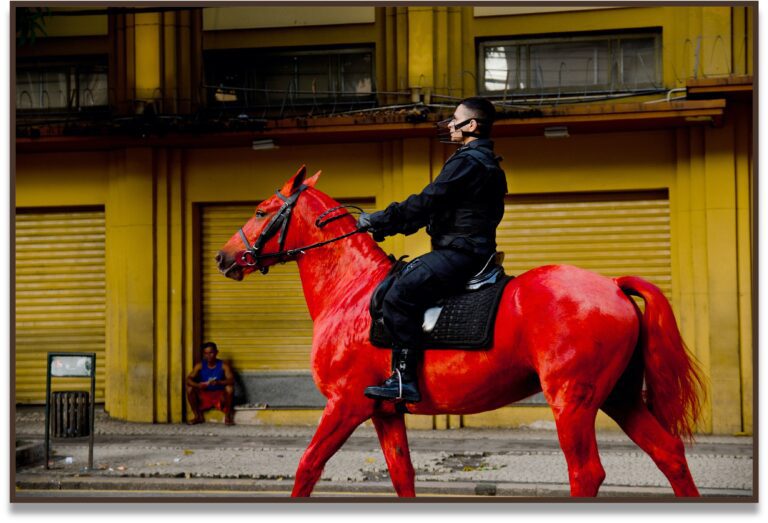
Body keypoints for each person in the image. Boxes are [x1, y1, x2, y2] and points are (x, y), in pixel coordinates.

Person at [357, 96, 508, 403]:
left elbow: (428, 200)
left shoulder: (468, 160)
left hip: (460, 252)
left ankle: (404, 381)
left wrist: (379, 219)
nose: (450, 124)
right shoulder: (486, 162)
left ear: (472, 125)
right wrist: (388, 226)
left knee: (399, 295)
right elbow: (436, 210)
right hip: (471, 249)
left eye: (456, 118)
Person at [186, 341, 236, 425]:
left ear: (216, 352)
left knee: (229, 388)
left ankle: (228, 417)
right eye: (206, 353)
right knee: (189, 388)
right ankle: (197, 416)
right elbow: (188, 379)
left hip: (219, 396)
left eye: (211, 353)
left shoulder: (224, 365)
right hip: (205, 395)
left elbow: (231, 380)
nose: (208, 356)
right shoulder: (200, 365)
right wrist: (198, 385)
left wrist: (219, 382)